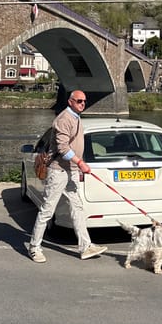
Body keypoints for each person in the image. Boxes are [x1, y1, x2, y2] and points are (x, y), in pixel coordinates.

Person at [28, 90, 107, 263]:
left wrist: (77, 165)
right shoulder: (64, 119)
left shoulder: (76, 117)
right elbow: (63, 148)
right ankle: (34, 247)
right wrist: (81, 163)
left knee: (77, 207)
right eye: (79, 101)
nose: (82, 104)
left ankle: (85, 247)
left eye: (84, 101)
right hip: (58, 171)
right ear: (70, 101)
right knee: (47, 210)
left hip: (70, 171)